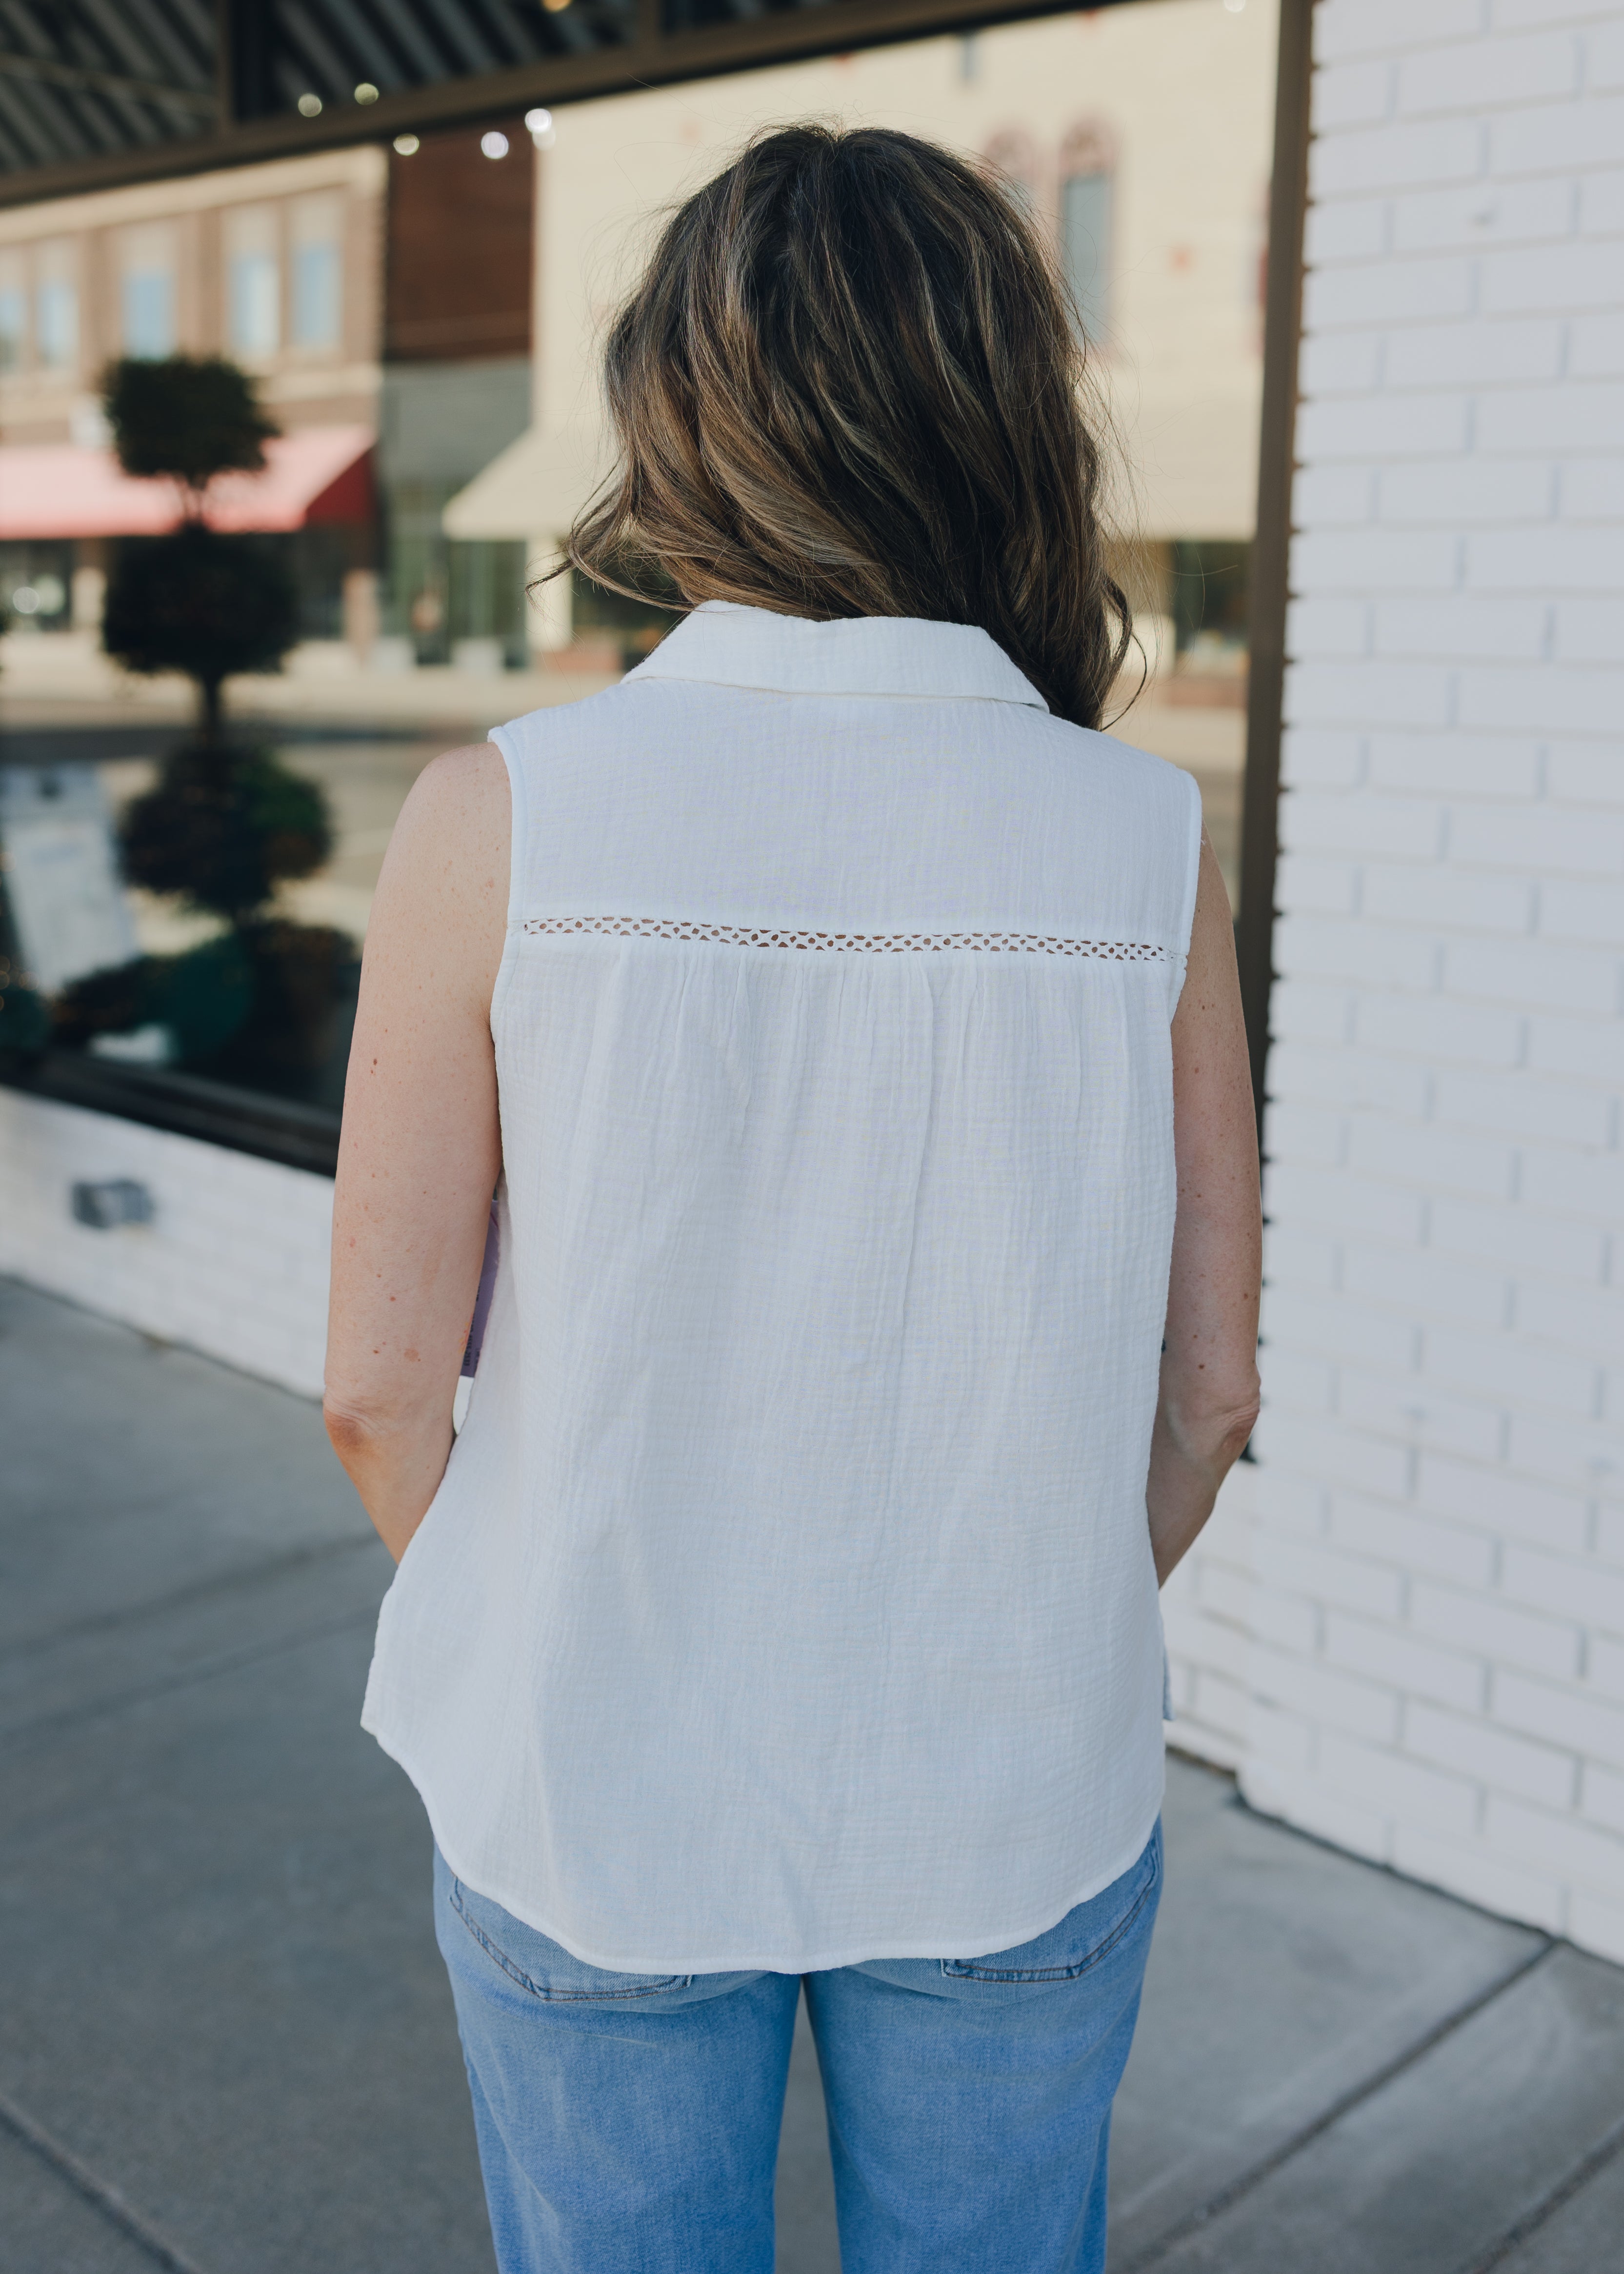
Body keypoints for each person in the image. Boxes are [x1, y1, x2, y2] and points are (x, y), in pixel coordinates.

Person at [324, 123, 1261, 2274]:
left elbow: (380, 1391)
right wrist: (1015, 1609)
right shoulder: (1138, 836)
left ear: (676, 418)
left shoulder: (500, 815)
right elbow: (1206, 1389)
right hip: (1009, 1788)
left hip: (597, 1786)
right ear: (1005, 412)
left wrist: (576, 1617)